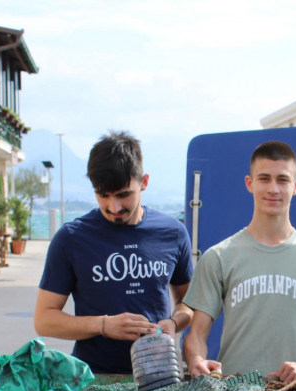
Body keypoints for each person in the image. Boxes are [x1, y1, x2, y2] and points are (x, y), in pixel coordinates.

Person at [182, 140, 296, 383]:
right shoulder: (219, 256)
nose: (273, 189)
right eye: (264, 178)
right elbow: (197, 334)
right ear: (249, 183)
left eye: (282, 180)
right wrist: (196, 360)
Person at [34, 130, 194, 375]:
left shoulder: (173, 232)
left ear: (144, 182)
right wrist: (103, 325)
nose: (114, 207)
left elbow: (188, 304)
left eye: (123, 194)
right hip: (94, 379)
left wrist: (174, 323)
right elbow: (44, 320)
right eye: (103, 195)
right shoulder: (71, 238)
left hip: (161, 374)